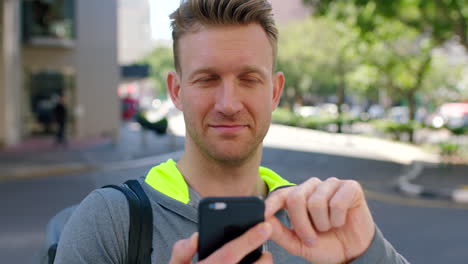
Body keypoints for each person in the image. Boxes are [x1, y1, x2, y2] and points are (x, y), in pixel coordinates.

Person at [55, 0, 409, 263]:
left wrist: (366, 250)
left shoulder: (318, 223)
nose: (228, 103)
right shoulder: (110, 220)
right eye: (207, 79)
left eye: (249, 79)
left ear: (274, 91)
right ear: (176, 90)